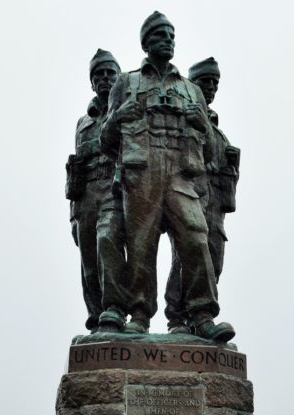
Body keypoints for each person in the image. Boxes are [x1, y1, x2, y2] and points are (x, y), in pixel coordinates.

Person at [100, 11, 235, 343]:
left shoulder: (192, 90)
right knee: (141, 244)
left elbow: (210, 152)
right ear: (146, 43)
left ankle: (201, 315)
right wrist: (118, 117)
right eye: (161, 36)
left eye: (172, 36)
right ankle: (139, 315)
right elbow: (106, 141)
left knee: (196, 238)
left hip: (180, 172)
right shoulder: (127, 83)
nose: (168, 41)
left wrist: (202, 124)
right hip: (142, 171)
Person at [164, 57, 240, 333]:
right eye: (205, 82)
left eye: (215, 83)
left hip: (215, 205)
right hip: (189, 195)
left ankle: (198, 319)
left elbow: (224, 174)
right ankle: (179, 316)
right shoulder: (183, 117)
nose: (211, 88)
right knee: (187, 256)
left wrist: (233, 165)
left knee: (212, 260)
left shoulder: (217, 131)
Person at [66, 49, 123, 332]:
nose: (104, 78)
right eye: (98, 74)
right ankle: (97, 314)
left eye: (109, 73)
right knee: (88, 260)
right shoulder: (83, 123)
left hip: (115, 190)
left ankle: (114, 309)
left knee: (107, 241)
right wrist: (73, 216)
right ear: (91, 82)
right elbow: (75, 167)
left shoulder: (126, 112)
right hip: (86, 195)